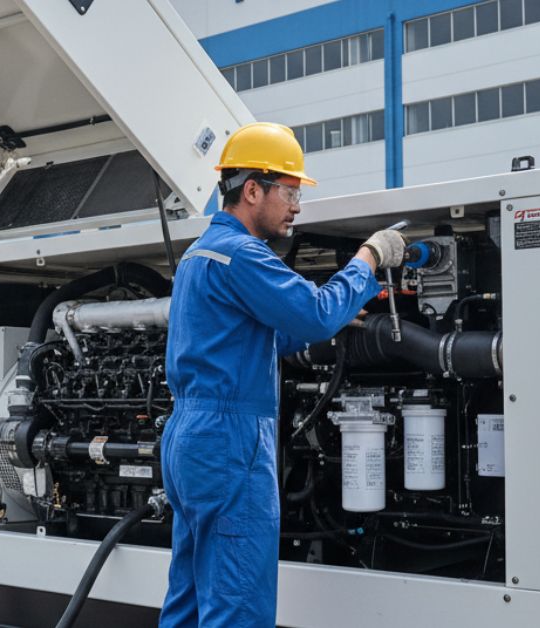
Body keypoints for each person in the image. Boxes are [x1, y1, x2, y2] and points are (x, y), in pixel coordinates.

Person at [159, 122, 406, 627]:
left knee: (188, 599)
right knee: (237, 605)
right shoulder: (244, 254)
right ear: (252, 190)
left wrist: (337, 315)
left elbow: (263, 335)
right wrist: (370, 256)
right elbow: (311, 315)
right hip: (231, 441)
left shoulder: (199, 254)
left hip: (190, 440)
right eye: (289, 192)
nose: (296, 206)